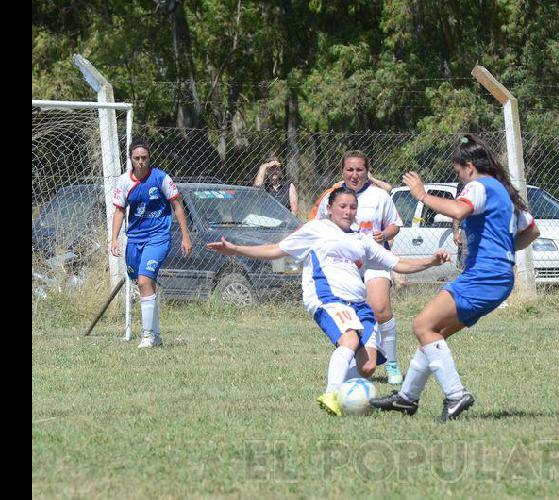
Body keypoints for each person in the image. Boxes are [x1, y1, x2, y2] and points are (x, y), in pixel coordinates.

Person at [205, 187, 449, 415]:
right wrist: (236, 249)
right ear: (329, 208)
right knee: (350, 339)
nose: (348, 211)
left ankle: (346, 391)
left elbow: (398, 264)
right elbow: (275, 250)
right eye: (342, 206)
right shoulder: (316, 229)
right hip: (328, 299)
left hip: (359, 305)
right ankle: (331, 394)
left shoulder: (362, 240)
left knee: (368, 367)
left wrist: (431, 261)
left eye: (353, 207)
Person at [370, 134, 541, 422]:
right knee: (434, 333)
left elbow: (460, 209)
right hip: (497, 276)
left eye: (458, 171)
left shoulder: (478, 186)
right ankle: (407, 398)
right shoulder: (503, 191)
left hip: (484, 276)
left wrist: (422, 196)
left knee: (422, 324)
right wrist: (502, 249)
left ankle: (455, 394)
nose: (459, 178)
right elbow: (532, 231)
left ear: (470, 167)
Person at [309, 151, 406, 384]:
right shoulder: (331, 197)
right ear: (342, 170)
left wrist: (385, 233)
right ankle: (356, 358)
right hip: (343, 265)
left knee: (380, 307)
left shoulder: (379, 196)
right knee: (350, 313)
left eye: (360, 169)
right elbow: (315, 225)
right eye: (350, 169)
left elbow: (396, 224)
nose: (355, 174)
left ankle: (391, 362)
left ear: (367, 171)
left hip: (373, 260)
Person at [109, 139, 193, 348]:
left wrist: (185, 235)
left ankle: (147, 336)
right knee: (144, 284)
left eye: (144, 158)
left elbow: (177, 204)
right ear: (130, 159)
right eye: (136, 158)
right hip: (135, 239)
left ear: (149, 158)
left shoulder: (161, 178)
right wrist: (114, 238)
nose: (140, 162)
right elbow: (119, 210)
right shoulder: (123, 182)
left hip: (158, 237)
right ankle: (155, 335)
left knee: (145, 281)